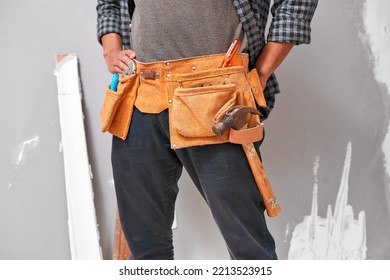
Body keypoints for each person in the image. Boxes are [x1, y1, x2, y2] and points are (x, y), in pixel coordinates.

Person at [96, 0, 318, 260]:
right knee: (146, 250)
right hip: (141, 93)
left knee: (249, 250)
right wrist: (111, 50)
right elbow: (108, 4)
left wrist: (262, 71)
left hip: (218, 96)